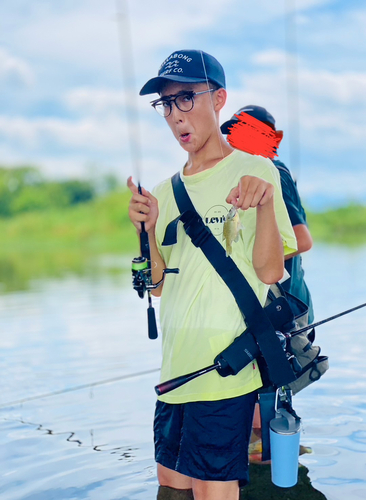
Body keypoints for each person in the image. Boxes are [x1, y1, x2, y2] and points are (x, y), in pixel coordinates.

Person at [127, 50, 297, 500]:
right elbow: (160, 286)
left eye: (186, 98)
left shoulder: (255, 170)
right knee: (170, 485)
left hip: (225, 371)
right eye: (166, 104)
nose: (176, 116)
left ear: (218, 99)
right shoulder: (163, 191)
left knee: (213, 490)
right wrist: (145, 231)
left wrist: (261, 207)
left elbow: (270, 269)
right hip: (175, 370)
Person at [221, 106, 314, 322]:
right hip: (271, 306)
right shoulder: (247, 177)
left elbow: (303, 240)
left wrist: (254, 263)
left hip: (289, 308)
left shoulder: (275, 175)